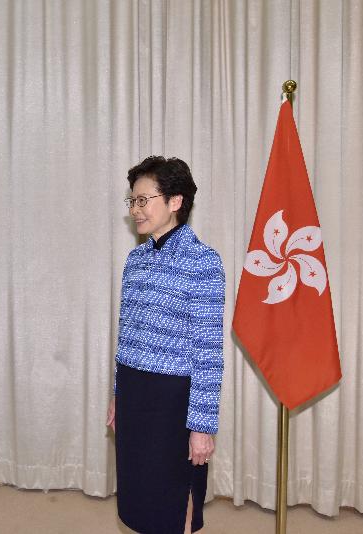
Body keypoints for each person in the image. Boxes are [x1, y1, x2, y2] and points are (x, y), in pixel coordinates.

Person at [106, 156, 225, 533]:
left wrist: (202, 426)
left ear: (175, 201)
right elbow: (126, 334)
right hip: (135, 393)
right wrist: (117, 393)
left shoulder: (204, 262)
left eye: (144, 200)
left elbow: (209, 353)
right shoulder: (135, 259)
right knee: (139, 498)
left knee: (176, 496)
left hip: (173, 401)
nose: (136, 209)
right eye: (133, 201)